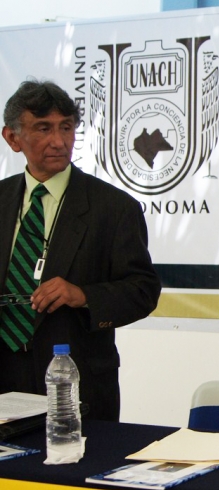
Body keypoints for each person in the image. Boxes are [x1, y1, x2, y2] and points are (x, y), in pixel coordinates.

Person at [0, 80, 161, 422]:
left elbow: (143, 291)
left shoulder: (113, 207)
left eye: (66, 128)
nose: (59, 141)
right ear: (13, 138)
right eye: (43, 129)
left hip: (76, 385)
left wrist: (82, 295)